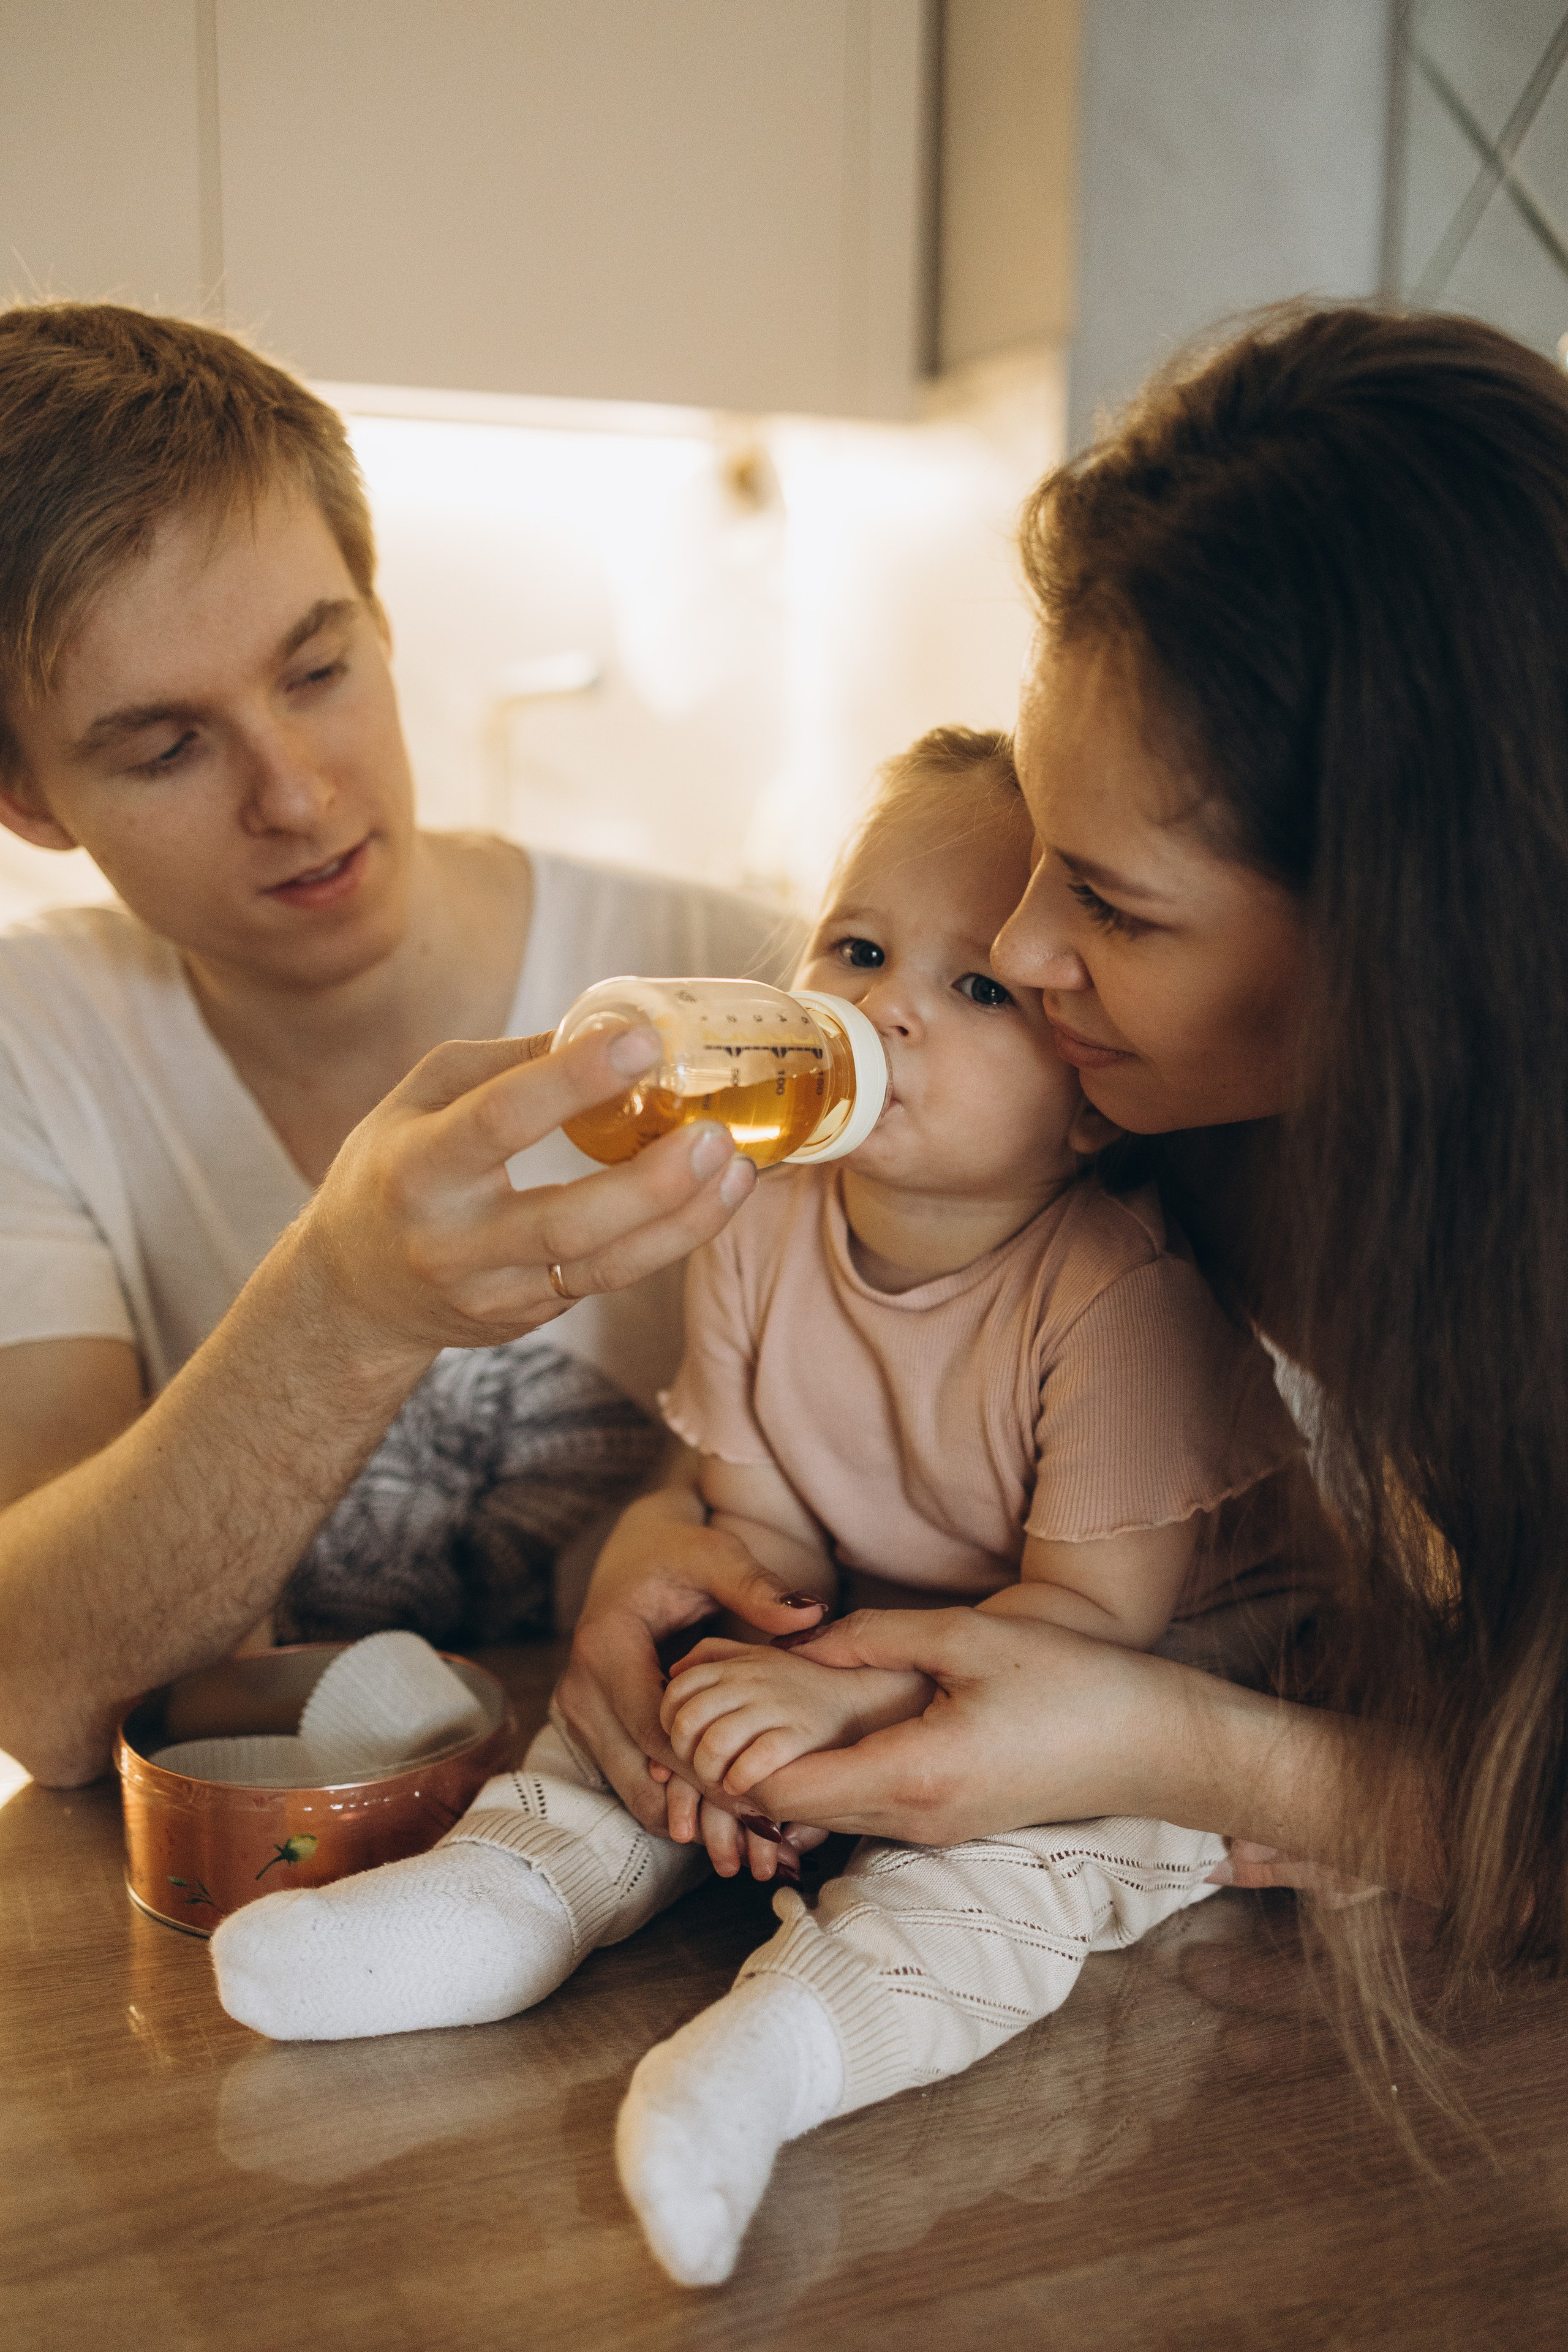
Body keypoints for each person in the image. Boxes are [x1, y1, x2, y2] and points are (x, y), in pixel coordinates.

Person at [549, 304, 1568, 2089]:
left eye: (1113, 905)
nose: (1023, 954)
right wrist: (677, 1528)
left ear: (1412, 945)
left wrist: (1187, 1749)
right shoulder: (1194, 1126)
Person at [209, 726, 1308, 2287]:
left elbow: (1082, 1635)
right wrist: (745, 1664)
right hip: (888, 1620)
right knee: (656, 1672)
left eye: (978, 988)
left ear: (1089, 1105)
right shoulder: (755, 1216)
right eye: (855, 948)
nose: (879, 1008)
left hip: (1145, 1674)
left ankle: (778, 2057)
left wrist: (821, 1702)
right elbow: (764, 1527)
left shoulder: (1116, 1300)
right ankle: (508, 1894)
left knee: (1024, 1862)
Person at [0, 301, 810, 1788]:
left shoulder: (746, 976)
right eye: (166, 746)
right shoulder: (28, 1050)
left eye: (316, 672)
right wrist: (345, 1307)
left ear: (379, 622)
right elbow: (47, 1696)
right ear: (31, 799)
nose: (297, 795)